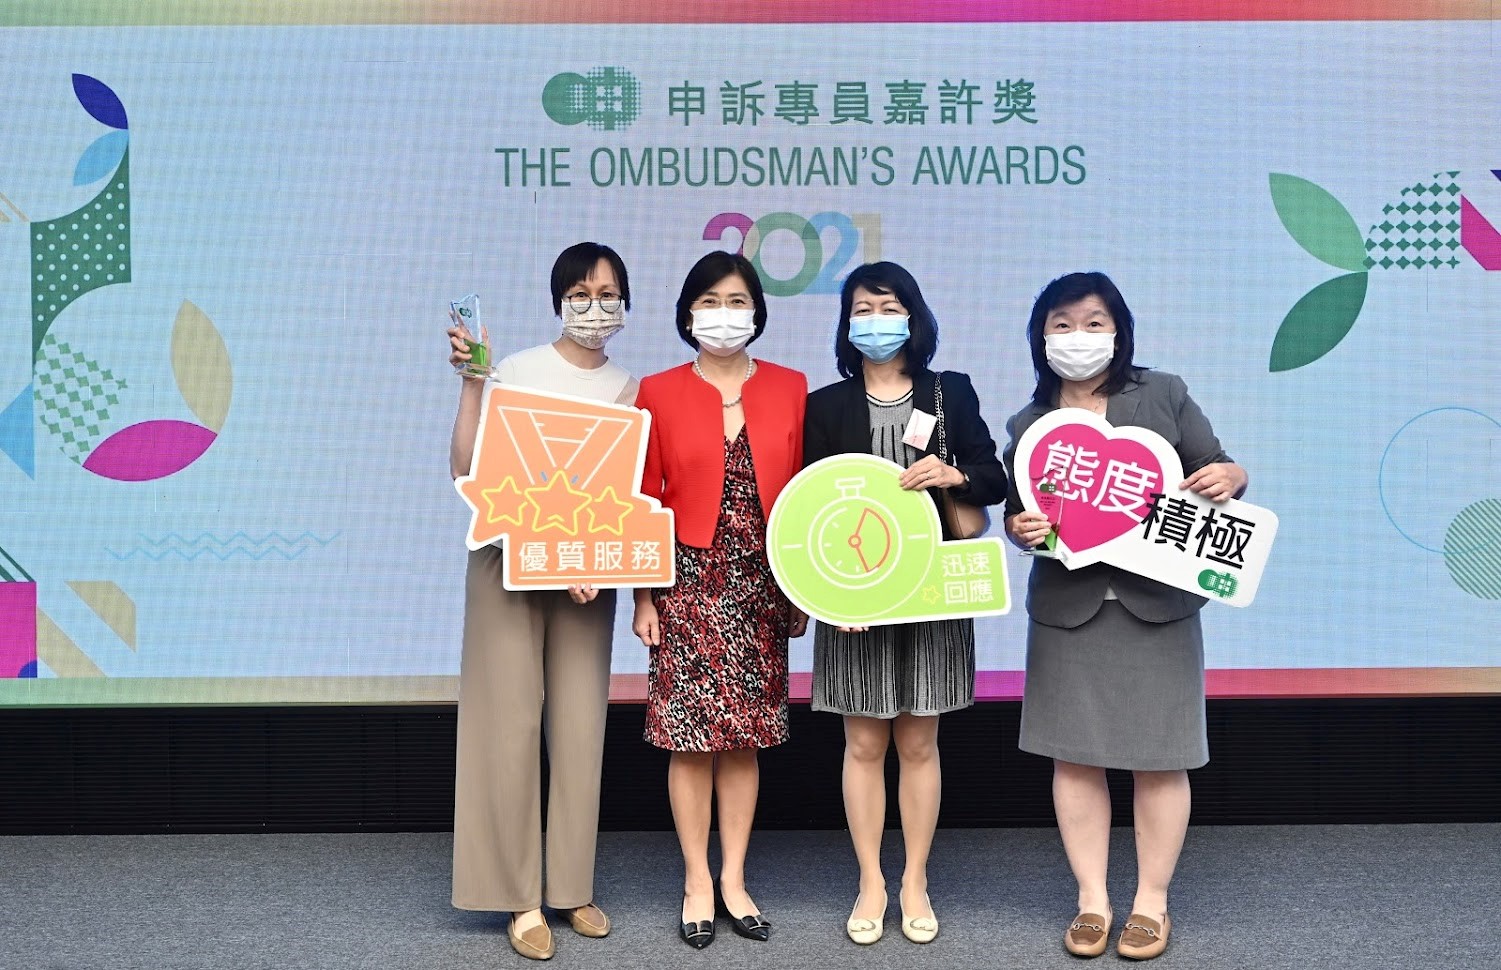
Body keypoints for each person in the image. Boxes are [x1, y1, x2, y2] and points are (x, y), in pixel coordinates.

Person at [1002, 271, 1249, 961]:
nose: (1077, 337)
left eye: (1092, 321)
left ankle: (1150, 903)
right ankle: (1091, 900)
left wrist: (1229, 478)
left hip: (1157, 604)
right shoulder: (1028, 423)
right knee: (1074, 760)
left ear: (1118, 329)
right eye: (1061, 323)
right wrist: (1016, 526)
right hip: (1067, 608)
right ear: (1040, 334)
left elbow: (1219, 467)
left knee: (1160, 760)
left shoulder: (1162, 393)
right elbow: (1017, 512)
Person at [803, 261, 1008, 946]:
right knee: (862, 743)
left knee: (919, 741)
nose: (874, 319)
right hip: (853, 595)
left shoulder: (949, 392)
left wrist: (953, 473)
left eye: (887, 305)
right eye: (861, 308)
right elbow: (808, 508)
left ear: (912, 315)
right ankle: (871, 879)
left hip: (930, 589)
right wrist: (824, 591)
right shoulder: (824, 405)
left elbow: (992, 480)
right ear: (845, 321)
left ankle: (914, 877)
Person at [447, 242, 639, 962]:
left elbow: (622, 493)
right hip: (506, 562)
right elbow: (467, 467)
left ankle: (570, 885)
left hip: (588, 576)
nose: (595, 305)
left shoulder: (630, 388)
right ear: (559, 297)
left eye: (609, 293)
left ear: (626, 304)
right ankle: (517, 895)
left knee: (580, 726)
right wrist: (472, 386)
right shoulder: (516, 368)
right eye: (581, 292)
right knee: (508, 724)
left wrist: (592, 556)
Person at [630, 251, 809, 950]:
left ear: (757, 311)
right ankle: (695, 880)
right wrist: (642, 598)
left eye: (737, 301)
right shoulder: (657, 389)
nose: (723, 314)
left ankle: (734, 878)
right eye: (709, 301)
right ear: (686, 313)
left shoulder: (793, 388)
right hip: (684, 584)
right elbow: (643, 500)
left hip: (761, 585)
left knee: (744, 739)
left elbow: (805, 496)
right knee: (688, 739)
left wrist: (802, 588)